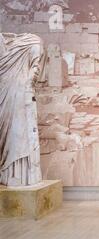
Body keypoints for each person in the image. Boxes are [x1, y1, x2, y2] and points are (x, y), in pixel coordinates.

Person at [0, 33, 46, 186]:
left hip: (20, 97)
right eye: (36, 63)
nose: (37, 69)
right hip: (11, 96)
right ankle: (10, 174)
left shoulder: (25, 82)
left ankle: (19, 176)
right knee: (14, 135)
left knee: (20, 138)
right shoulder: (29, 45)